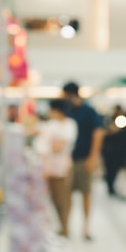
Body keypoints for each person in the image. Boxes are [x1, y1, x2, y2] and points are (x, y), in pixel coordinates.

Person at [63, 82, 105, 241]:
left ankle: (86, 227)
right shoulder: (66, 111)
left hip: (83, 159)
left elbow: (98, 133)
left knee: (86, 194)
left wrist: (92, 158)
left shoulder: (88, 111)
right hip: (67, 160)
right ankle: (66, 226)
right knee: (67, 195)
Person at [34, 99, 78, 238]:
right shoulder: (50, 125)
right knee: (53, 197)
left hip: (62, 168)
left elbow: (58, 145)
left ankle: (65, 227)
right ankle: (60, 226)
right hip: (49, 168)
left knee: (63, 198)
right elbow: (43, 145)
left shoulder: (69, 125)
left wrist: (50, 147)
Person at [102, 106, 126, 199]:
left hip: (119, 153)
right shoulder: (109, 122)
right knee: (110, 171)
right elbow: (105, 137)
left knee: (116, 172)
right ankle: (110, 188)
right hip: (109, 153)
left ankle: (116, 188)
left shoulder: (124, 123)